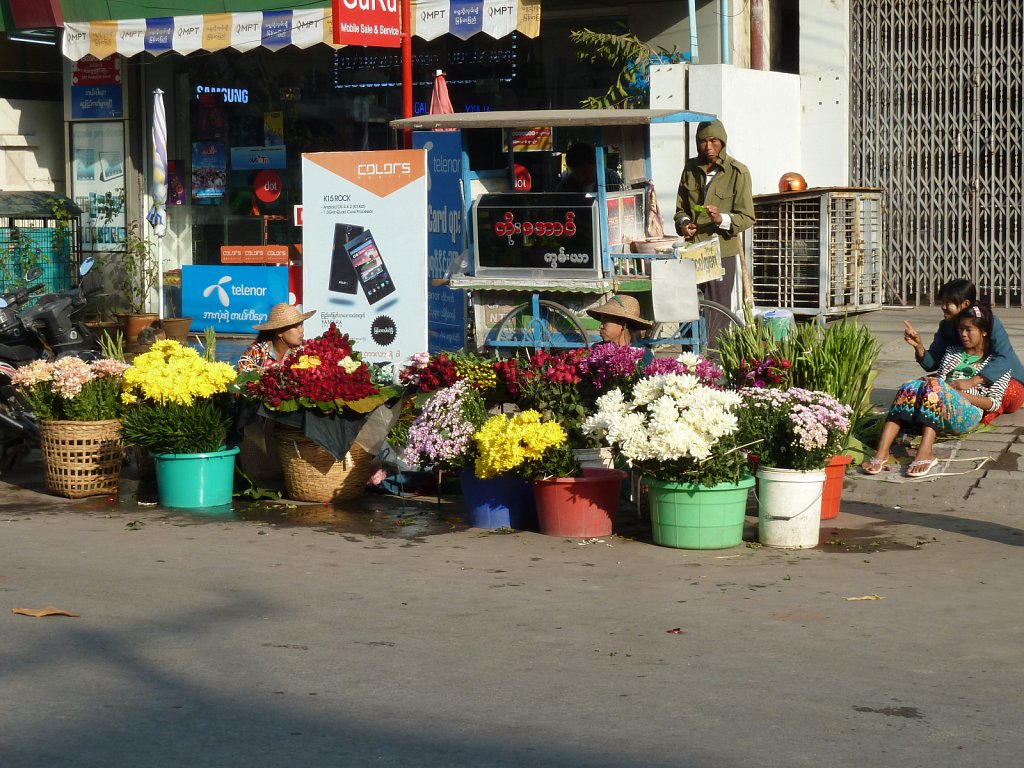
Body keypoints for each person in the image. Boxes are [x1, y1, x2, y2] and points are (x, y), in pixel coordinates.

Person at [863, 304, 1011, 478]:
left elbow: (994, 404)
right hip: (937, 405)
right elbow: (934, 373)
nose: (963, 334)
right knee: (909, 386)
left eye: (969, 329)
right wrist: (919, 347)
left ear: (984, 331)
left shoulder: (996, 364)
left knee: (935, 386)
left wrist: (959, 394)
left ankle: (926, 451)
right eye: (960, 329)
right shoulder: (952, 352)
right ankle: (882, 452)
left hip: (967, 413)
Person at [673, 119, 755, 341]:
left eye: (713, 141)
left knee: (717, 312)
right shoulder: (690, 169)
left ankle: (714, 365)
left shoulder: (738, 172)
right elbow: (680, 210)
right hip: (691, 252)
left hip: (721, 253)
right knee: (687, 309)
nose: (707, 147)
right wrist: (684, 224)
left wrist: (721, 219)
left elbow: (747, 217)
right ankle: (688, 363)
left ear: (723, 142)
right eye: (702, 142)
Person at [902, 278, 1024, 423]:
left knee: (1010, 394)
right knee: (919, 386)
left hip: (997, 379)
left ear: (965, 304)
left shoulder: (989, 322)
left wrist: (972, 381)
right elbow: (932, 363)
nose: (943, 307)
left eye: (948, 303)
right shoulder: (947, 326)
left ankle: (984, 410)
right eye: (942, 302)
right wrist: (919, 347)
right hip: (965, 376)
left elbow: (1005, 358)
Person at [237, 303, 315, 372]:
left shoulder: (305, 351)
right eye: (295, 326)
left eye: (301, 324)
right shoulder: (256, 351)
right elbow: (242, 378)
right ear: (280, 332)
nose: (302, 330)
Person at [586, 294, 653, 348]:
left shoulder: (643, 355)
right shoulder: (597, 350)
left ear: (622, 324)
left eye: (605, 322)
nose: (600, 326)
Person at [555, 142, 623, 194]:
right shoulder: (565, 186)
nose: (581, 177)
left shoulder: (612, 179)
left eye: (585, 172)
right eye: (576, 174)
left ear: (596, 164)